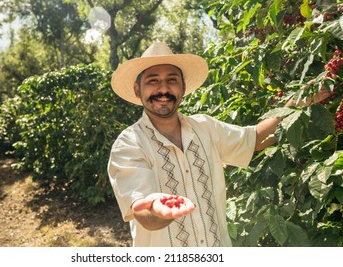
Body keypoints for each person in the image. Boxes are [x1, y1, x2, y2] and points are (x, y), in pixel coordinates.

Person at [107, 41, 330, 247]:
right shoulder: (128, 145)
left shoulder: (206, 128)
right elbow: (145, 213)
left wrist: (302, 100)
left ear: (183, 88)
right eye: (153, 80)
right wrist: (157, 209)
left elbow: (257, 139)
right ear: (138, 90)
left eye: (172, 80)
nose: (163, 89)